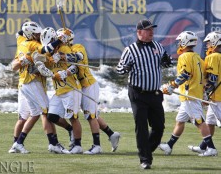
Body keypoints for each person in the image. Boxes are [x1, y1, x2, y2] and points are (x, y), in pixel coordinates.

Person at [116, 19, 172, 169]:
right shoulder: (131, 50)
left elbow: (167, 62)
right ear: (139, 32)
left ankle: (147, 150)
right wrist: (126, 67)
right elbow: (119, 70)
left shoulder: (158, 47)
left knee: (159, 127)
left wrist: (167, 61)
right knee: (141, 126)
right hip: (138, 93)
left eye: (152, 29)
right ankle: (145, 159)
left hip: (155, 93)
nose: (151, 32)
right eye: (148, 30)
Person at [56, 28, 121, 154]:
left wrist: (63, 57)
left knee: (90, 116)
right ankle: (111, 134)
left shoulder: (77, 47)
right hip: (80, 87)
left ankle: (97, 146)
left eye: (60, 39)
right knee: (93, 114)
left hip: (88, 85)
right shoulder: (64, 50)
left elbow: (78, 57)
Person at [8, 22, 69, 154]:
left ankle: (19, 143)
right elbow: (45, 50)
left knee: (36, 113)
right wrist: (59, 40)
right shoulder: (33, 44)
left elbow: (18, 33)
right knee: (46, 111)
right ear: (30, 34)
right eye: (36, 33)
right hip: (31, 82)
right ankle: (53, 144)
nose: (38, 35)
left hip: (26, 82)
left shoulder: (22, 40)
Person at [159, 31, 218, 157]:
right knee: (180, 121)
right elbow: (205, 76)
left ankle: (211, 148)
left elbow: (186, 73)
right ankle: (169, 145)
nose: (179, 44)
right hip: (194, 93)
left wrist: (172, 85)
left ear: (185, 42)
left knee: (199, 122)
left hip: (189, 94)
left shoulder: (184, 56)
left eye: (180, 41)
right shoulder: (198, 57)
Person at [33, 27, 83, 154]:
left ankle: (78, 145)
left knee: (73, 117)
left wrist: (64, 72)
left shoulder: (65, 49)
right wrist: (42, 62)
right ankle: (70, 130)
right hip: (58, 91)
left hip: (71, 89)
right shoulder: (48, 54)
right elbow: (37, 60)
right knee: (52, 116)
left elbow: (76, 66)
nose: (50, 48)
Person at [187, 31, 221, 155]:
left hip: (217, 96)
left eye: (208, 43)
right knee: (210, 122)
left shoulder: (213, 56)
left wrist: (205, 92)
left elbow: (213, 78)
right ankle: (204, 147)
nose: (207, 45)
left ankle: (210, 149)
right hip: (216, 95)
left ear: (214, 42)